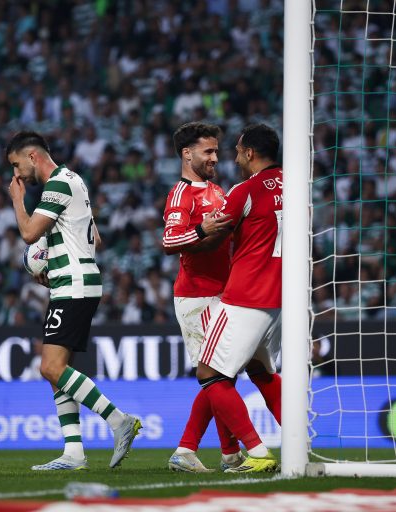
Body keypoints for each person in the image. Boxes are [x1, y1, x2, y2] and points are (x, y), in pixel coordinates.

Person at [6, 131, 141, 470]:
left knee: (50, 367)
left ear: (33, 156)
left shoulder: (57, 185)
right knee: (58, 371)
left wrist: (16, 201)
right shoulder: (74, 181)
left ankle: (118, 420)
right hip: (72, 281)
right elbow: (90, 236)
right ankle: (73, 453)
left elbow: (27, 233)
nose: (16, 175)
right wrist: (49, 264)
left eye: (16, 165)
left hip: (75, 286)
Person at [196, 123, 284, 473]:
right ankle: (301, 442)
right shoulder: (295, 184)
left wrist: (187, 237)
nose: (233, 156)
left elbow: (213, 237)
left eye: (237, 149)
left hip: (246, 296)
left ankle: (257, 452)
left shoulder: (245, 190)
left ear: (250, 153)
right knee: (261, 372)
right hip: (280, 300)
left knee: (210, 373)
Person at [161, 122, 247, 473]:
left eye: (216, 151)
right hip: (196, 296)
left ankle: (222, 454)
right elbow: (169, 241)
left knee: (222, 377)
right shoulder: (181, 194)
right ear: (187, 154)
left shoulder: (217, 190)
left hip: (222, 293)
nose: (215, 157)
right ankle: (196, 451)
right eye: (208, 151)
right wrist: (200, 229)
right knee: (216, 376)